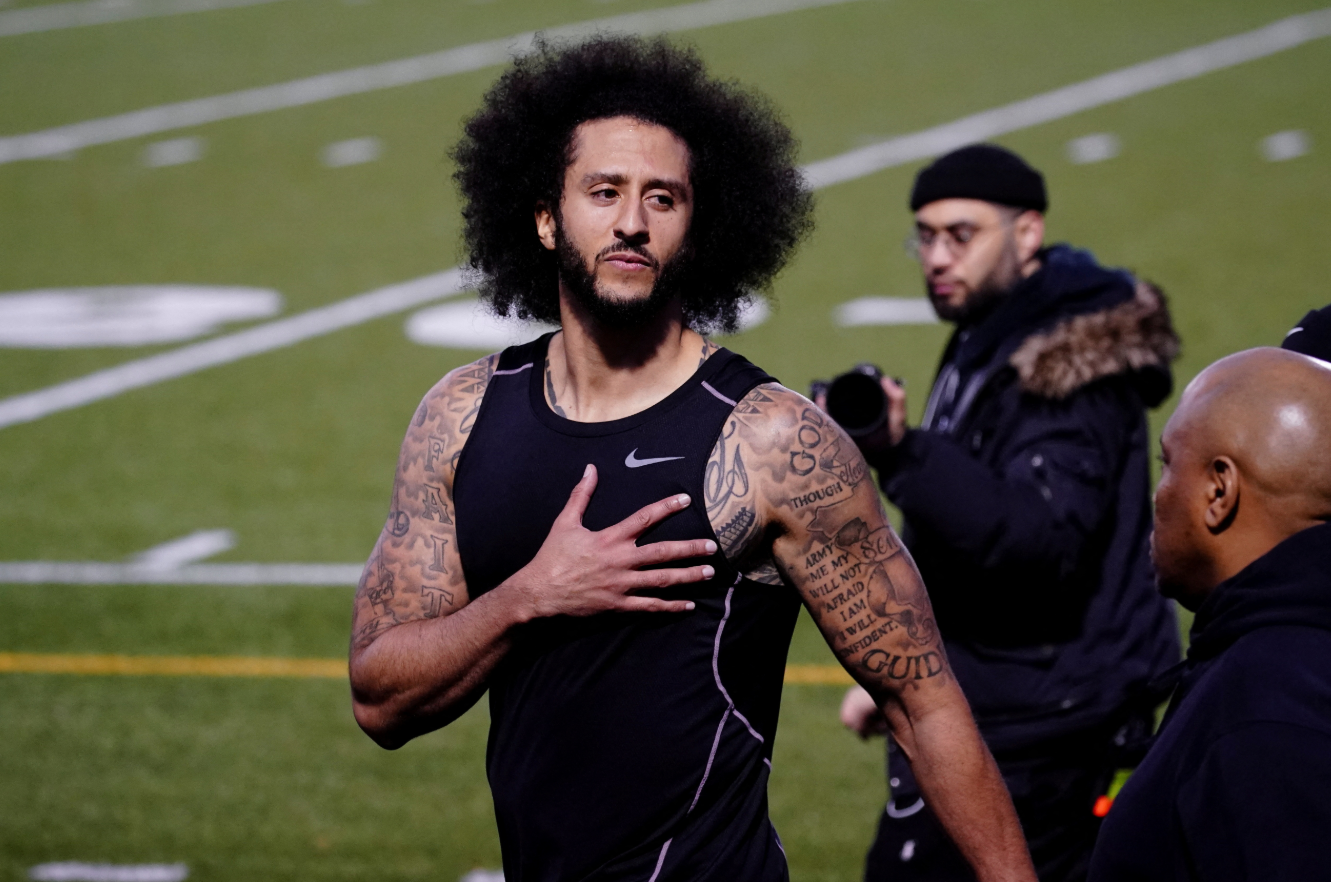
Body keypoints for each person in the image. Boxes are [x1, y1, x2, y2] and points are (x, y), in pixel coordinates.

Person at [347, 37, 1035, 882]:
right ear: (546, 217)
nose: (632, 222)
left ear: (697, 228)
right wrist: (529, 598)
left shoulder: (772, 444)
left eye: (662, 198)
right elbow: (379, 698)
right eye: (604, 191)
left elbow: (922, 705)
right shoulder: (459, 416)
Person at [831, 144, 1181, 882]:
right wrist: (910, 673)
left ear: (1026, 233)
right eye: (925, 237)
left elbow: (1037, 538)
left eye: (961, 235)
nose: (937, 257)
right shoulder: (997, 322)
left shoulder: (1067, 364)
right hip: (1004, 695)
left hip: (1043, 722)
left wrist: (902, 451)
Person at [1088, 347, 1331, 881]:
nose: (1158, 495)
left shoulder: (1266, 717)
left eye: (1168, 465)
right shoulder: (1280, 660)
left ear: (1219, 490)